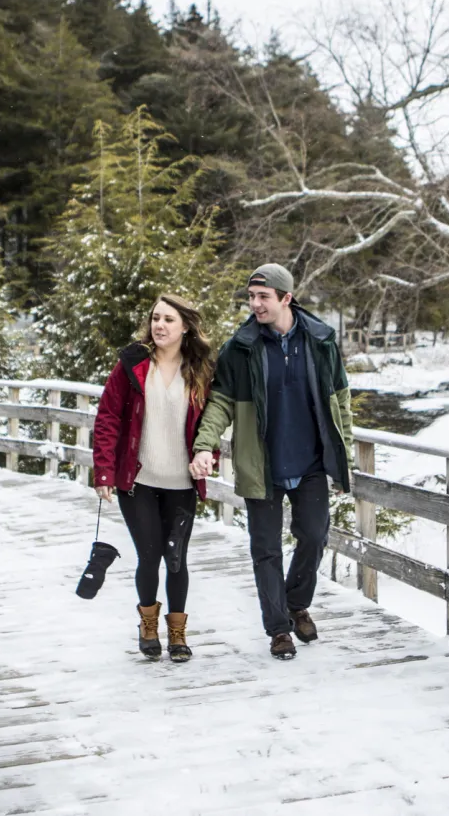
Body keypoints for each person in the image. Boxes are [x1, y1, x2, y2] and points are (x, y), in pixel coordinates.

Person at [190, 264, 354, 660]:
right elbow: (221, 403)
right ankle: (279, 629)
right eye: (251, 297)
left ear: (286, 298)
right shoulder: (241, 348)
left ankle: (296, 603)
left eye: (263, 297)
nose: (255, 304)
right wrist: (203, 445)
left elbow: (340, 400)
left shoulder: (321, 341)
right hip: (261, 465)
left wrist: (343, 454)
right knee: (266, 550)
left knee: (314, 537)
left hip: (311, 463)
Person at [93, 294, 216, 663]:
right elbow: (108, 417)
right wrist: (104, 471)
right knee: (149, 556)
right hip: (139, 482)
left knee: (176, 559)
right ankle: (148, 625)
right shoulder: (132, 364)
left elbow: (210, 425)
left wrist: (208, 456)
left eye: (168, 320)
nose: (159, 325)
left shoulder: (201, 371)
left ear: (186, 327)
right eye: (155, 318)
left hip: (182, 484)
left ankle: (177, 633)